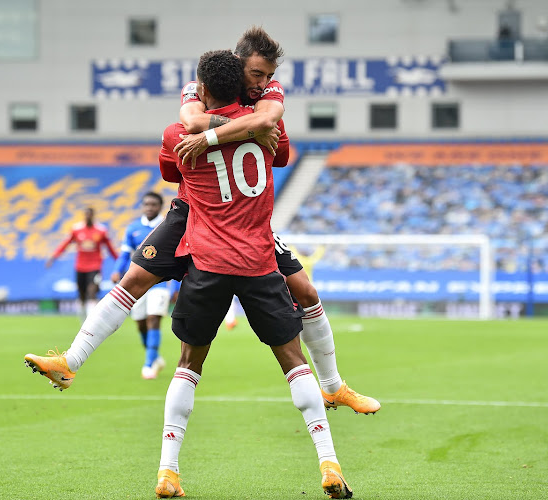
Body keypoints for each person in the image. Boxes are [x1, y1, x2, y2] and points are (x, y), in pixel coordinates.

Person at [25, 27, 379, 419]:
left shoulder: (270, 94)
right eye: (257, 74)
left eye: (267, 76)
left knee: (306, 291)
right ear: (238, 63)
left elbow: (272, 134)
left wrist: (215, 136)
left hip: (242, 221)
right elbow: (193, 120)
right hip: (191, 211)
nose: (263, 84)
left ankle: (334, 387)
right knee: (133, 280)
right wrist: (244, 127)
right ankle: (71, 360)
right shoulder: (200, 86)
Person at [154, 49, 352, 499]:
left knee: (188, 364)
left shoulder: (180, 134)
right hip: (260, 262)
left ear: (202, 90)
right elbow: (275, 140)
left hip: (206, 263)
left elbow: (172, 168)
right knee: (294, 362)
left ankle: (168, 472)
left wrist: (198, 119)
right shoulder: (268, 129)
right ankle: (329, 463)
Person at [111, 192, 175, 379]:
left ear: (160, 206)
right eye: (146, 204)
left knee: (153, 319)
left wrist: (177, 287)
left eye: (153, 204)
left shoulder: (167, 226)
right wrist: (117, 270)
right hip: (137, 283)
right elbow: (125, 254)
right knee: (140, 323)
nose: (149, 207)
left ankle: (149, 364)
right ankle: (155, 357)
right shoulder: (133, 228)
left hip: (160, 283)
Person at [45, 207, 117, 320]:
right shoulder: (76, 229)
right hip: (80, 267)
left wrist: (118, 261)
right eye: (86, 214)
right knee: (82, 295)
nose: (88, 217)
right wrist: (53, 257)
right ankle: (83, 321)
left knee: (92, 292)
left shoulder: (101, 230)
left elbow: (110, 247)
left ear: (93, 216)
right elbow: (65, 244)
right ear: (84, 216)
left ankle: (92, 322)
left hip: (95, 266)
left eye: (90, 215)